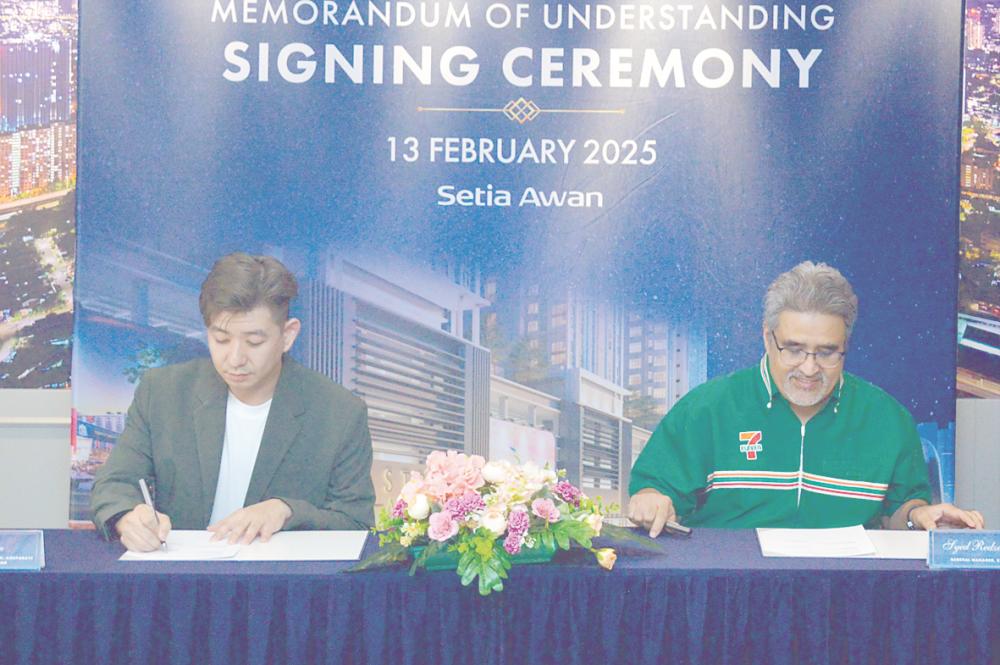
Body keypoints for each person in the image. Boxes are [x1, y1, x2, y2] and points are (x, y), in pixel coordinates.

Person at [628, 261, 984, 536]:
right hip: (732, 597)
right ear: (768, 339)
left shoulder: (888, 419)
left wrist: (918, 517)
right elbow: (655, 489)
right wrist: (651, 500)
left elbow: (902, 512)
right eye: (794, 350)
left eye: (827, 352)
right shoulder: (707, 408)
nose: (810, 369)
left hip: (845, 599)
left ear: (846, 346)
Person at [92, 252, 375, 551]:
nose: (235, 359)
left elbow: (355, 522)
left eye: (254, 342)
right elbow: (113, 485)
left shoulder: (339, 412)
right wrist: (128, 517)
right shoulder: (162, 393)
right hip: (180, 581)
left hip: (282, 585)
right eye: (222, 339)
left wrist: (287, 511)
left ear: (288, 335)